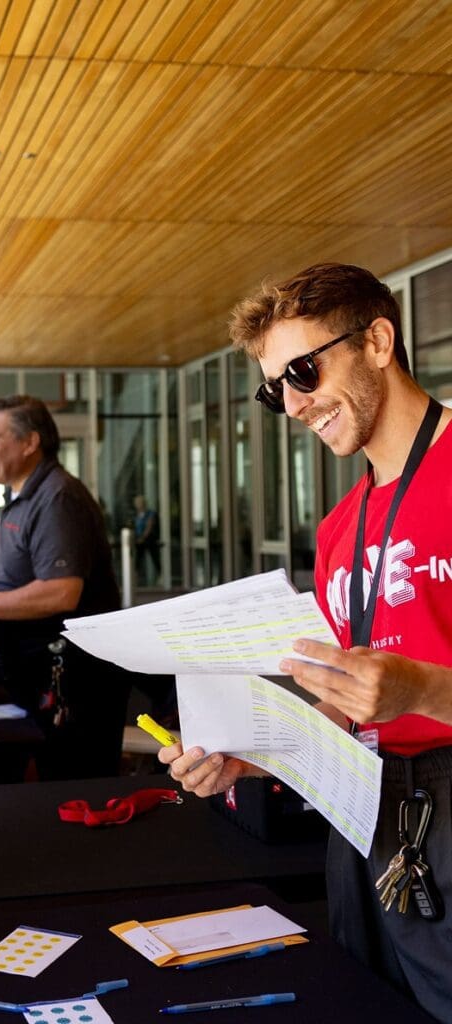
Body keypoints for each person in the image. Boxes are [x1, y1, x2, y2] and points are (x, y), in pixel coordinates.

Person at [159, 262, 452, 1021]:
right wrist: (246, 756)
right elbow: (346, 708)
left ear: (379, 341)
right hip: (365, 816)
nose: (291, 403)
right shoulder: (337, 531)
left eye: (303, 370)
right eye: (273, 388)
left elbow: (401, 691)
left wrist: (420, 690)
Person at [0, 395, 131, 780]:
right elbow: (24, 574)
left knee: (77, 793)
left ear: (30, 443)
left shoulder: (57, 498)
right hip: (36, 683)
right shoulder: (21, 496)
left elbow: (62, 591)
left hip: (73, 686)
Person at [133, 494, 160, 583]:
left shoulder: (150, 514)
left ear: (143, 503)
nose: (137, 504)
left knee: (155, 558)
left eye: (139, 502)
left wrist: (143, 537)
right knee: (138, 560)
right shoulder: (136, 515)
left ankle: (161, 576)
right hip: (139, 540)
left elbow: (149, 527)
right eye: (136, 503)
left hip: (149, 540)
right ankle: (134, 578)